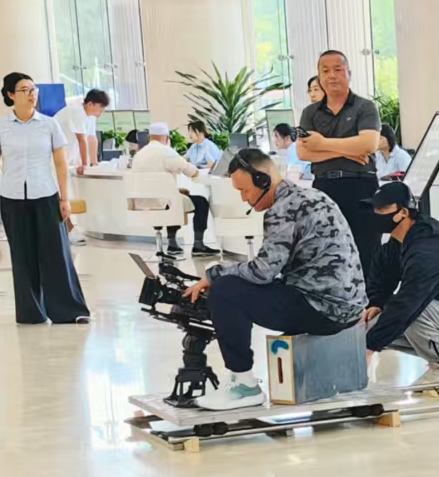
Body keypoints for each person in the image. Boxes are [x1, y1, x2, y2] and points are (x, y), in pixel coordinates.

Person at [181, 149, 367, 412]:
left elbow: (263, 271)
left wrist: (213, 274)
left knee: (225, 290)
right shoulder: (313, 195)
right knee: (237, 285)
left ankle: (244, 385)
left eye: (245, 190)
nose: (244, 199)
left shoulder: (283, 209)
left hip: (323, 309)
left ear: (263, 179)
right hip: (347, 306)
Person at [0, 71, 90, 326]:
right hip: (12, 198)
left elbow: (60, 164)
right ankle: (31, 312)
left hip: (46, 195)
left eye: (33, 89)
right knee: (22, 256)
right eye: (25, 90)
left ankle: (69, 310)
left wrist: (65, 199)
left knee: (57, 254)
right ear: (10, 95)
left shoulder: (49, 124)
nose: (32, 94)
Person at [362, 180, 439, 381]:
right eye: (374, 208)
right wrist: (376, 303)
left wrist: (370, 347)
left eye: (382, 208)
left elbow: (409, 302)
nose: (375, 213)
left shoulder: (429, 250)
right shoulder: (399, 242)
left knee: (414, 312)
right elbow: (382, 274)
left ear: (403, 212)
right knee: (371, 326)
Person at [296, 50, 385, 270]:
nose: (332, 75)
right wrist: (347, 151)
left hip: (361, 185)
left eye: (338, 69)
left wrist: (322, 143)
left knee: (366, 250)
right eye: (325, 71)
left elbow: (369, 144)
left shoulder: (365, 107)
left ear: (349, 73)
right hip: (324, 185)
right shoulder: (310, 113)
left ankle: (370, 293)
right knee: (327, 249)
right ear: (319, 76)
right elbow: (303, 153)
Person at [128, 120, 214, 257]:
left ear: (150, 137)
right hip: (163, 203)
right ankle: (198, 245)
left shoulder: (139, 155)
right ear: (166, 137)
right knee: (200, 202)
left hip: (141, 203)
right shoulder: (166, 152)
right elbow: (191, 171)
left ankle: (172, 244)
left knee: (174, 197)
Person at [54, 88, 109, 171]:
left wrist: (94, 164)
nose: (101, 112)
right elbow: (81, 140)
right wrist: (84, 164)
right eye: (100, 109)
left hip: (66, 156)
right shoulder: (77, 111)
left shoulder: (91, 116)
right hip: (54, 153)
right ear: (90, 104)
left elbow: (92, 138)